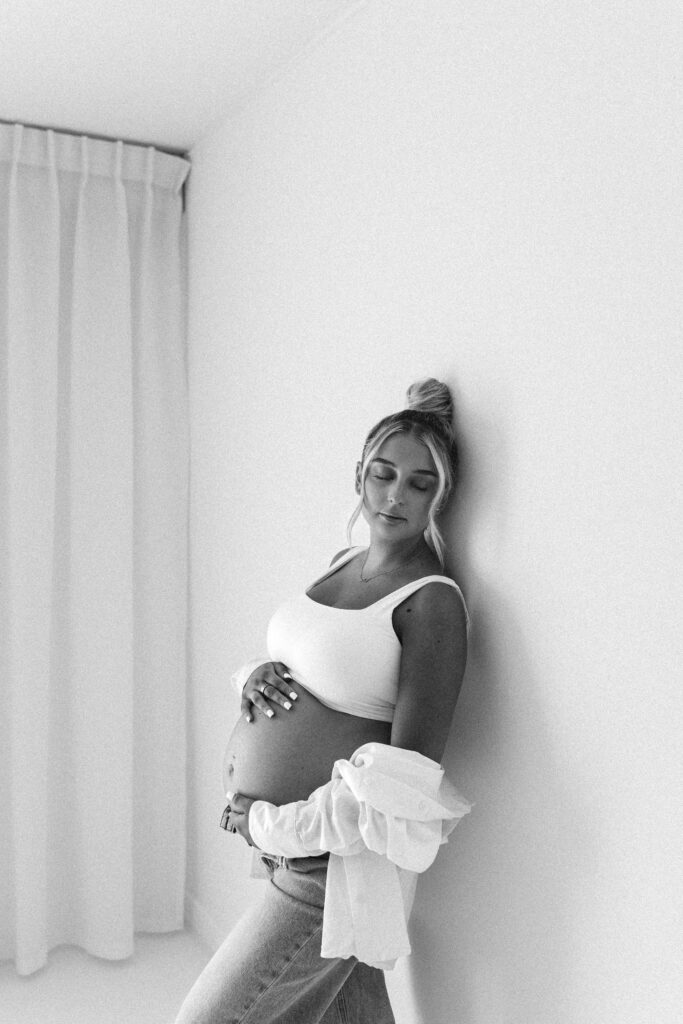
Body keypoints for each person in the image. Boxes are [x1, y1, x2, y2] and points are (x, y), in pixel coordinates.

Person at [174, 378, 471, 1024]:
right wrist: (254, 675)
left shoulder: (432, 603)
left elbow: (403, 787)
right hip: (295, 857)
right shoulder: (343, 561)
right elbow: (318, 661)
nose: (395, 495)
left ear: (440, 497)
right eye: (383, 474)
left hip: (332, 872)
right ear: (359, 475)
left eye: (419, 484)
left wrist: (266, 822)